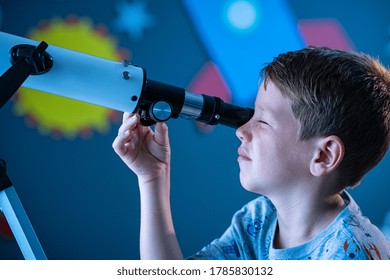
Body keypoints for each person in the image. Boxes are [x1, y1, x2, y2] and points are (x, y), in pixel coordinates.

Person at [112, 46, 390, 260]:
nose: (241, 131)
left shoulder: (353, 256)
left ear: (323, 156)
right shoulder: (260, 220)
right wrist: (152, 179)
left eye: (263, 121)